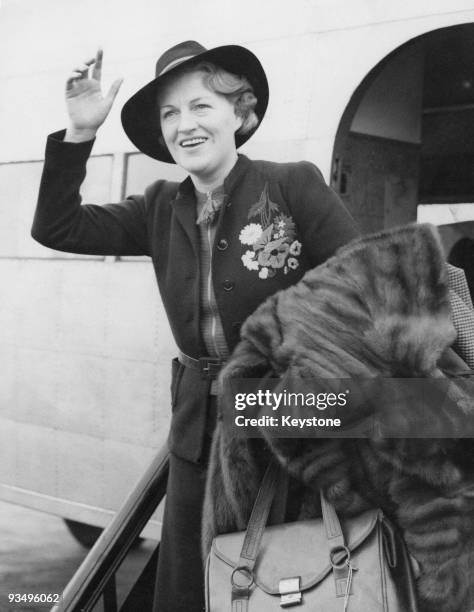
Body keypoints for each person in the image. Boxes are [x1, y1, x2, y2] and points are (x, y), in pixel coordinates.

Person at [31, 40, 359, 612]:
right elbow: (57, 227)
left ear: (241, 113)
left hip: (283, 430)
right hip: (195, 434)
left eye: (202, 106)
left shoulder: (291, 185)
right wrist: (80, 135)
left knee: (279, 585)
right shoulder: (159, 206)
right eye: (170, 114)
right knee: (188, 588)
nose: (186, 125)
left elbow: (366, 289)